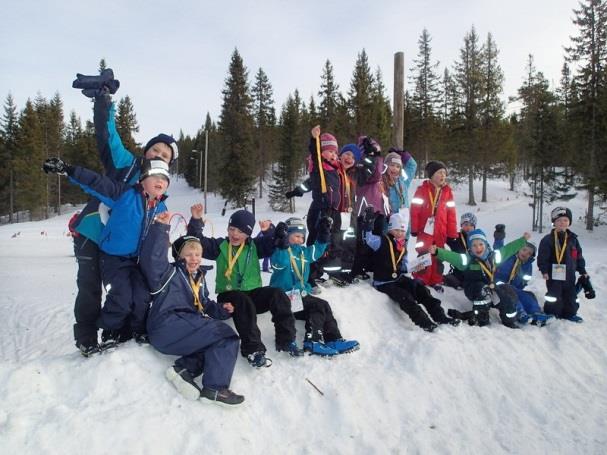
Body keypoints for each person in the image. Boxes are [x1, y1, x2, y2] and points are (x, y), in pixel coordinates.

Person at [69, 68, 178, 356]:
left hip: (125, 253)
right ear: (146, 153)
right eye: (156, 150)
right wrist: (104, 99)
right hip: (93, 232)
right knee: (90, 286)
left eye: (165, 156)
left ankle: (119, 331)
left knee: (128, 292)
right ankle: (86, 338)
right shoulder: (127, 165)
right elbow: (108, 135)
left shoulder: (159, 196)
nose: (159, 156)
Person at [43, 157, 170, 345]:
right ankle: (110, 329)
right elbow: (95, 182)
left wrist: (162, 227)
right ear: (142, 179)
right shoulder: (124, 194)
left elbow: (158, 243)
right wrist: (68, 169)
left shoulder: (162, 208)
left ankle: (137, 331)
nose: (160, 181)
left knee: (142, 296)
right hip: (114, 259)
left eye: (165, 178)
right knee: (122, 298)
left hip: (138, 262)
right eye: (154, 176)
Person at [138, 212, 244, 405]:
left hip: (183, 328)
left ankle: (185, 369)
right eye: (188, 255)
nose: (194, 259)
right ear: (179, 256)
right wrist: (160, 229)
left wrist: (221, 309)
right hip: (167, 325)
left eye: (198, 254)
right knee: (226, 336)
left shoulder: (198, 278)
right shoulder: (168, 274)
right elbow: (152, 259)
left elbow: (204, 304)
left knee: (215, 344)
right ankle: (215, 388)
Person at [187, 203, 302, 367]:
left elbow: (273, 243)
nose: (235, 234)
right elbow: (196, 241)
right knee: (241, 299)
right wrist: (196, 220)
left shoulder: (255, 246)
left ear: (248, 233)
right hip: (229, 296)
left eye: (241, 231)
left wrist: (271, 231)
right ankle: (253, 349)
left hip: (253, 294)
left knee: (277, 293)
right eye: (232, 229)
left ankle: (287, 339)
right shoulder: (220, 247)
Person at [270, 217, 359, 355]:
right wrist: (281, 246)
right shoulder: (281, 253)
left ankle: (333, 339)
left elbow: (316, 251)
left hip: (299, 296)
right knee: (317, 306)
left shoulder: (303, 252)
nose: (299, 240)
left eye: (302, 237)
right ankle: (313, 341)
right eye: (296, 236)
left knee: (323, 305)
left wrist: (323, 236)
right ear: (287, 236)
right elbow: (278, 263)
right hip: (284, 298)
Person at [363, 209, 459, 332]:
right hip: (384, 282)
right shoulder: (381, 241)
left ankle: (440, 316)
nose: (400, 233)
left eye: (402, 231)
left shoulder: (402, 245)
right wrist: (368, 223)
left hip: (398, 278)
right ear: (390, 229)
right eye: (397, 230)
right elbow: (368, 239)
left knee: (420, 289)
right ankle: (424, 322)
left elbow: (403, 266)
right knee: (406, 297)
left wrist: (415, 267)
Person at [430, 229, 530, 329]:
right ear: (470, 248)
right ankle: (482, 319)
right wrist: (437, 251)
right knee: (483, 290)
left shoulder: (494, 257)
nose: (478, 247)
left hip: (491, 286)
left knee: (506, 297)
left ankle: (509, 320)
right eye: (474, 245)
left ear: (486, 244)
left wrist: (522, 240)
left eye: (481, 244)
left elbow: (508, 249)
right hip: (473, 289)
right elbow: (452, 256)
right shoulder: (467, 260)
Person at [410, 160, 458, 290]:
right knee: (424, 253)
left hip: (440, 232)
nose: (443, 175)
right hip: (424, 231)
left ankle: (436, 280)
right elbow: (414, 210)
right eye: (439, 172)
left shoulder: (447, 192)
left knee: (438, 255)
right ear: (431, 175)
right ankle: (421, 279)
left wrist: (452, 233)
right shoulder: (422, 190)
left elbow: (451, 214)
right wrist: (414, 228)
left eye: (444, 173)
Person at [537, 207, 589, 323]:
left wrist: (582, 270)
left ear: (569, 222)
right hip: (553, 274)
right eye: (559, 220)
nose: (562, 223)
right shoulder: (547, 239)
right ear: (554, 222)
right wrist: (544, 270)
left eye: (565, 220)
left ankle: (569, 313)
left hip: (569, 275)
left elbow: (579, 256)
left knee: (570, 296)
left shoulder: (573, 240)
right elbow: (542, 257)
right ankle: (551, 313)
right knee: (554, 295)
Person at [493, 239, 553, 326]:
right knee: (511, 293)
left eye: (529, 253)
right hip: (498, 287)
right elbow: (499, 250)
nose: (525, 253)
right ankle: (520, 312)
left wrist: (520, 286)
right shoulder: (508, 256)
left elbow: (524, 281)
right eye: (524, 250)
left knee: (528, 295)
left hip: (513, 288)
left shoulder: (527, 266)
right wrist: (499, 237)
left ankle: (536, 312)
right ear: (518, 248)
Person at [443, 212, 478, 289]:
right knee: (457, 281)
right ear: (461, 225)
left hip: (475, 270)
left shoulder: (478, 238)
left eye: (471, 225)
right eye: (466, 224)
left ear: (474, 227)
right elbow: (444, 235)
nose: (468, 227)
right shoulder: (456, 236)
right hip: (459, 270)